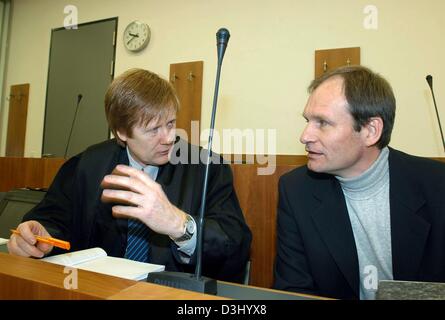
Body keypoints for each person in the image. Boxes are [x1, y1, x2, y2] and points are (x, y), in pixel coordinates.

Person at [8, 68, 252, 283]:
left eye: (170, 123)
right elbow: (54, 220)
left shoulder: (207, 167)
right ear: (122, 132)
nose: (168, 138)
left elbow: (236, 245)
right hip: (97, 290)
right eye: (154, 129)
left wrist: (180, 225)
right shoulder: (87, 165)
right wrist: (40, 234)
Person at [273, 65, 445, 299]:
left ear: (370, 131)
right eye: (307, 121)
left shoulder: (437, 185)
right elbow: (294, 290)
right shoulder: (296, 190)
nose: (305, 136)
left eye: (322, 122)